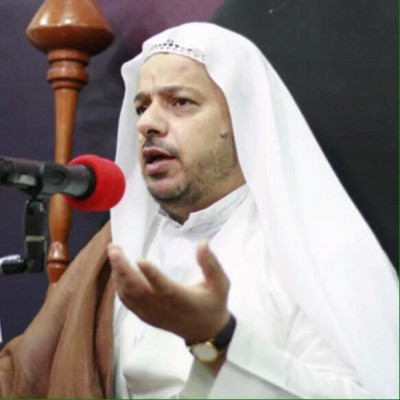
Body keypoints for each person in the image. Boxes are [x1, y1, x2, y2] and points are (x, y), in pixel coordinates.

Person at [0, 22, 398, 399]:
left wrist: (217, 339)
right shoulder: (117, 246)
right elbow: (22, 376)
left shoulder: (317, 248)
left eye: (180, 102)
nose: (148, 123)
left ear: (240, 118)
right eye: (142, 106)